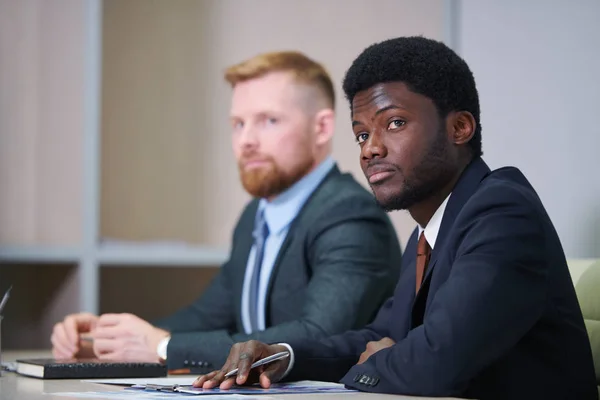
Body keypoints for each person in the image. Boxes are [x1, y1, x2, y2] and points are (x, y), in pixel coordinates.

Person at [193, 37, 598, 399]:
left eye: (395, 123)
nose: (370, 150)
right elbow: (379, 336)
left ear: (460, 127)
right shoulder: (431, 231)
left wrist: (385, 359)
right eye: (362, 134)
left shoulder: (502, 213)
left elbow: (435, 364)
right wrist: (282, 356)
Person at [50, 51, 402, 373]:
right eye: (238, 123)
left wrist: (160, 346)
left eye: (269, 121)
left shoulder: (350, 214)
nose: (246, 140)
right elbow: (206, 316)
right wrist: (107, 338)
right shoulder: (255, 215)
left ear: (322, 128)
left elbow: (320, 334)